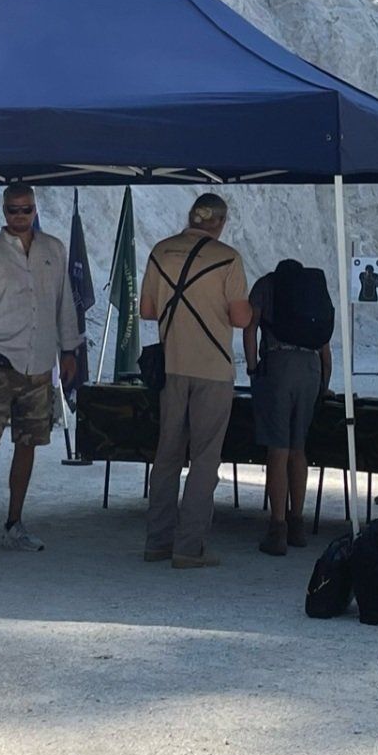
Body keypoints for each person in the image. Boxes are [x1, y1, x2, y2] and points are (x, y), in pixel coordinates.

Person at [0, 184, 82, 560]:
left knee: (28, 444)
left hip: (40, 364)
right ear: (3, 211)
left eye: (26, 209)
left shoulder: (54, 250)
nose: (20, 216)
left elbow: (64, 303)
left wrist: (69, 349)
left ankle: (14, 523)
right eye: (13, 210)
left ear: (35, 209)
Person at [139, 193, 251, 568]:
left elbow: (147, 310)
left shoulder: (161, 251)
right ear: (220, 222)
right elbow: (241, 318)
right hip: (213, 368)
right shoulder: (228, 258)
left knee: (166, 456)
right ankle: (189, 546)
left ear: (191, 217)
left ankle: (157, 541)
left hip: (172, 365)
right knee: (204, 459)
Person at [243, 258, 332, 555]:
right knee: (298, 449)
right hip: (310, 368)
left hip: (278, 366)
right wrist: (324, 382)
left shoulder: (265, 285)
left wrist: (253, 368)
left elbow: (250, 328)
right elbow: (324, 343)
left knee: (277, 450)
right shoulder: (312, 292)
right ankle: (298, 525)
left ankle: (277, 528)